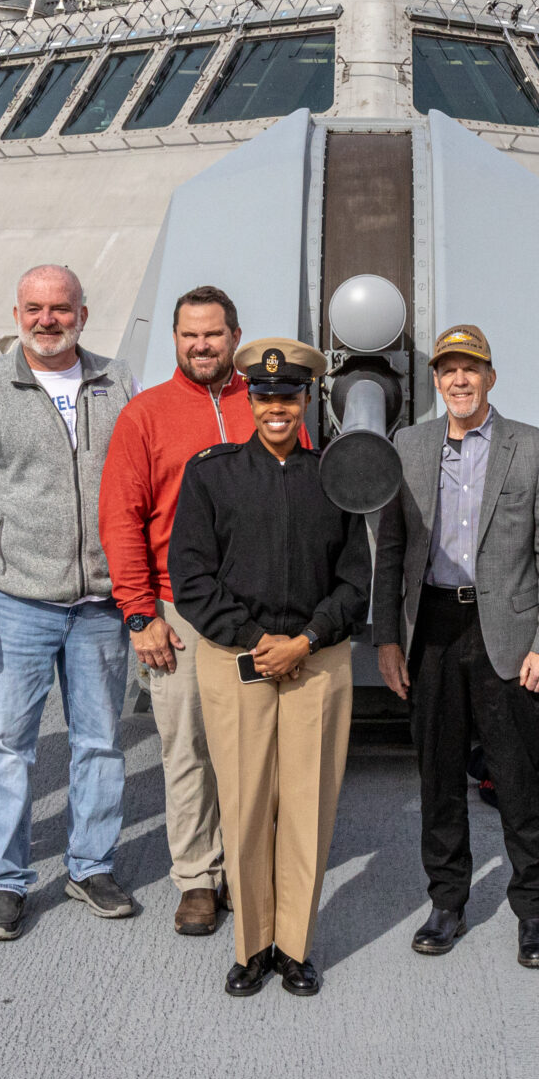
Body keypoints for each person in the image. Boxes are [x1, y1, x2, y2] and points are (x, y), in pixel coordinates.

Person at [0, 264, 139, 941]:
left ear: (83, 310)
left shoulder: (118, 383)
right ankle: (6, 881)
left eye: (60, 307)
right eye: (34, 308)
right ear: (16, 312)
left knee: (102, 742)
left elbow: (139, 492)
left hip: (102, 602)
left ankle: (90, 865)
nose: (46, 319)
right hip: (15, 598)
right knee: (6, 745)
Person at [168, 338, 370, 998]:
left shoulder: (331, 477)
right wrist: (258, 639)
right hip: (238, 661)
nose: (276, 406)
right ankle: (252, 945)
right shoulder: (212, 474)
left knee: (308, 804)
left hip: (315, 659)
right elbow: (190, 576)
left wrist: (306, 638)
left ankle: (295, 946)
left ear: (307, 399)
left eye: (288, 395)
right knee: (247, 802)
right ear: (248, 399)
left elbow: (354, 578)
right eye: (264, 395)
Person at [371, 323, 539, 970]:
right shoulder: (410, 444)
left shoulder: (533, 448)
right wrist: (386, 637)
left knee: (518, 776)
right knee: (438, 775)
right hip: (430, 626)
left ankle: (534, 910)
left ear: (491, 375)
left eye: (471, 368)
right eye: (447, 369)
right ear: (435, 378)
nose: (459, 379)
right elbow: (394, 547)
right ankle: (448, 901)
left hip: (507, 633)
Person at [96, 284, 263, 937]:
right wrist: (141, 614)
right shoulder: (147, 415)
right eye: (190, 334)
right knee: (187, 745)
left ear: (234, 335)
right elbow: (121, 518)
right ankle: (198, 877)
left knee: (252, 746)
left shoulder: (268, 402)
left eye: (214, 334)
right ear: (175, 339)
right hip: (180, 609)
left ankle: (247, 868)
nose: (202, 345)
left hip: (257, 608)